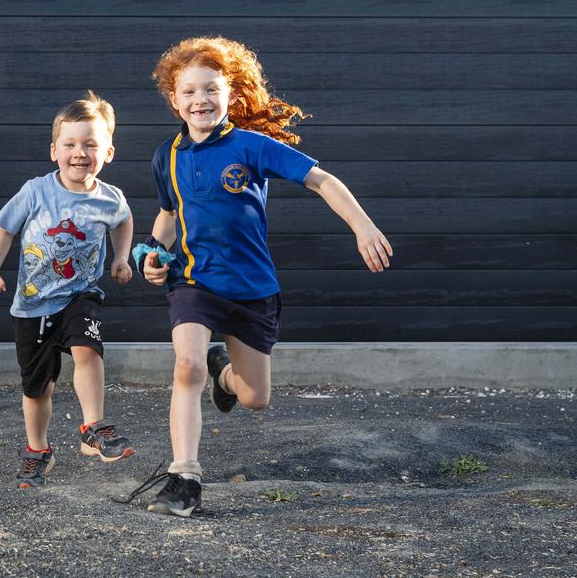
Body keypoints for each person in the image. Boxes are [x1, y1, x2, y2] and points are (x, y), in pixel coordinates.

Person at [126, 36, 393, 517]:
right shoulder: (165, 155)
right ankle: (184, 478)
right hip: (193, 280)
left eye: (210, 89)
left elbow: (322, 180)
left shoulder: (251, 146)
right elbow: (169, 212)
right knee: (183, 367)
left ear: (231, 93)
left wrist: (363, 226)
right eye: (188, 92)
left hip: (251, 290)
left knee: (254, 398)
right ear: (174, 100)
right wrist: (153, 251)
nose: (200, 100)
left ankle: (223, 376)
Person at [0, 93, 137, 489]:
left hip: (80, 295)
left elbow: (124, 219)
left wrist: (121, 257)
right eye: (70, 144)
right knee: (37, 388)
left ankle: (93, 426)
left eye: (90, 145)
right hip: (33, 305)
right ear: (54, 150)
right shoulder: (35, 191)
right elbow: (4, 229)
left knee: (87, 347)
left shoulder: (110, 197)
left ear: (108, 152)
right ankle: (38, 450)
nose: (79, 153)